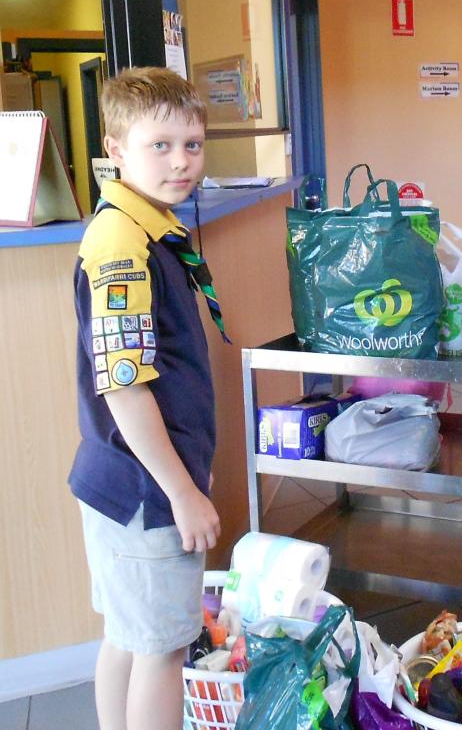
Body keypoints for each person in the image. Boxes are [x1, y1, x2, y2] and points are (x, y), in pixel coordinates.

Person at [69, 67, 228, 730]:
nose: (181, 161)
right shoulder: (121, 245)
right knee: (162, 650)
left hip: (120, 480)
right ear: (115, 149)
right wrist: (182, 490)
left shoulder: (147, 224)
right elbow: (127, 388)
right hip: (145, 491)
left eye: (191, 144)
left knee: (128, 637)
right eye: (160, 145)